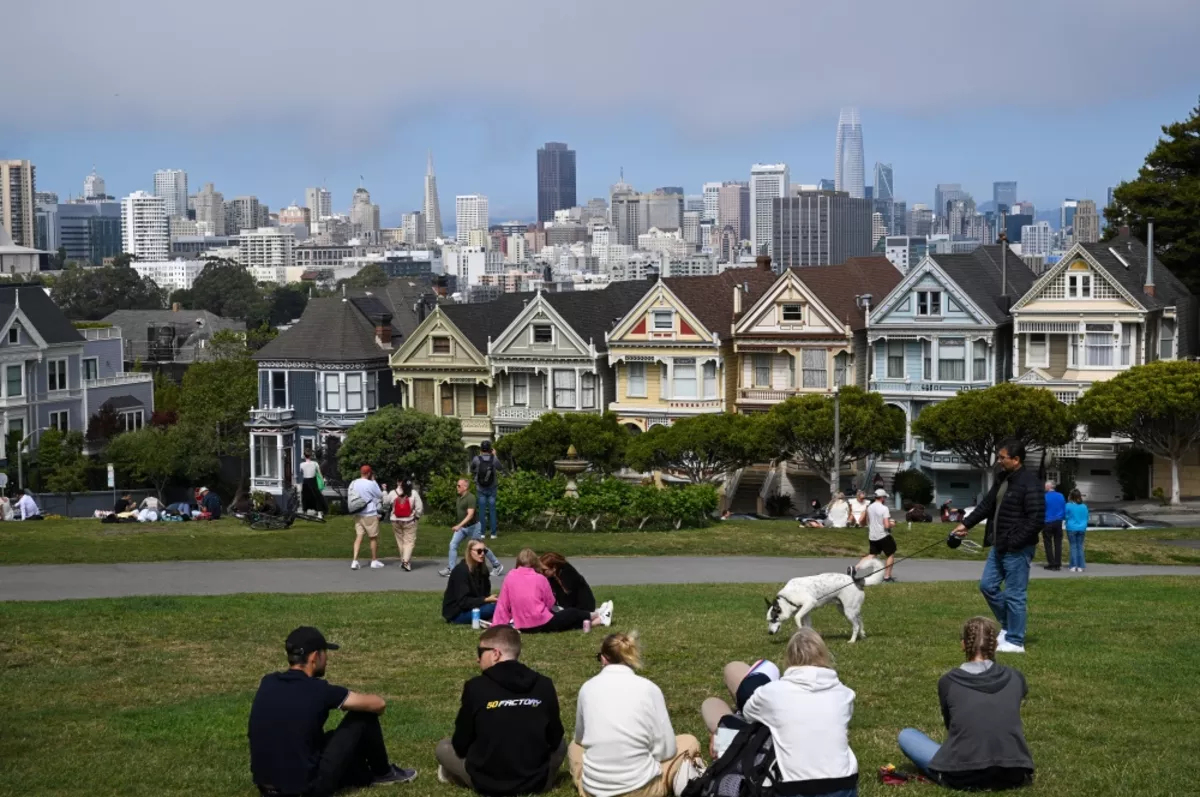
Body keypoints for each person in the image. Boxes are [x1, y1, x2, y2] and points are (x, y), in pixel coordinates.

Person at [248, 626, 417, 796]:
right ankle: (384, 773)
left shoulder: (267, 682)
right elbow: (378, 704)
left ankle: (362, 773)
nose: (327, 659)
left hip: (266, 788)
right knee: (363, 716)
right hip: (306, 789)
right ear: (315, 657)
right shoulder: (319, 690)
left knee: (328, 740)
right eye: (325, 653)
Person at [896, 617, 1034, 791]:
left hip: (962, 775)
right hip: (1014, 772)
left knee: (907, 735)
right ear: (995, 645)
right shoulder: (1016, 677)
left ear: (963, 644)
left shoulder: (948, 681)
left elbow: (950, 724)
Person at [435, 625, 567, 796]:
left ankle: (453, 774)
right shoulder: (544, 684)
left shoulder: (475, 687)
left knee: (443, 747)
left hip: (487, 783)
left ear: (495, 654)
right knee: (563, 744)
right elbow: (555, 738)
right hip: (534, 781)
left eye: (480, 652)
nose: (477, 659)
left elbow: (460, 744)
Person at [570, 632, 704, 797]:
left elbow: (580, 738)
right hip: (641, 790)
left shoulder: (587, 688)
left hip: (594, 791)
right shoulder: (649, 689)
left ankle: (584, 781)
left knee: (574, 747)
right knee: (689, 741)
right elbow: (667, 750)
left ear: (604, 659)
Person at [952, 439, 1045, 654]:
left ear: (1016, 459)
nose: (999, 461)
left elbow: (1036, 520)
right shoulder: (1003, 478)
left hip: (1017, 548)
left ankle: (1015, 640)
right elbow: (986, 506)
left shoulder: (1030, 483)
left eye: (1003, 457)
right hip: (999, 545)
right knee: (987, 586)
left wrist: (1014, 541)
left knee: (1015, 595)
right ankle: (1009, 626)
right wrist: (966, 524)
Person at [742, 629, 858, 797]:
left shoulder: (772, 693)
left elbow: (747, 714)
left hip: (796, 788)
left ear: (789, 658)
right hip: (844, 785)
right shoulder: (845, 694)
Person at [493, 549, 612, 634]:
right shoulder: (540, 578)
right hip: (540, 622)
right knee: (570, 614)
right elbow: (550, 602)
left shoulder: (509, 577)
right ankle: (597, 615)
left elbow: (503, 604)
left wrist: (497, 625)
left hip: (522, 625)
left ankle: (598, 620)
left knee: (566, 621)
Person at [699, 658, 780, 758]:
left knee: (710, 704)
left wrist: (722, 734)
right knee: (732, 669)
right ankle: (740, 714)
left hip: (753, 747)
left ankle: (739, 717)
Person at [441, 479, 503, 578]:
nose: (457, 487)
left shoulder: (471, 498)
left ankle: (497, 565)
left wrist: (459, 525)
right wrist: (460, 526)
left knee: (480, 548)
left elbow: (470, 515)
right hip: (463, 528)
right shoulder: (459, 498)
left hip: (473, 527)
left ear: (465, 487)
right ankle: (452, 569)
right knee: (453, 544)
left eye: (458, 486)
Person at [443, 540, 499, 625]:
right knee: (494, 608)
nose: (482, 554)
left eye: (485, 551)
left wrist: (492, 599)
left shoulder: (483, 570)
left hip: (475, 607)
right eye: (479, 551)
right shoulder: (461, 571)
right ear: (470, 552)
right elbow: (463, 602)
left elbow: (485, 593)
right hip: (457, 613)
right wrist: (486, 600)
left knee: (503, 605)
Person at [852, 488, 896, 583]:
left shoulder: (869, 507)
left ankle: (855, 568)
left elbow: (865, 521)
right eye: (885, 497)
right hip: (883, 535)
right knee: (890, 554)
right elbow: (886, 525)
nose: (885, 499)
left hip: (872, 536)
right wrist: (892, 524)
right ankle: (887, 577)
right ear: (882, 498)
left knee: (871, 555)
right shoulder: (884, 508)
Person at [348, 465, 384, 571]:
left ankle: (354, 561)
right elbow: (380, 495)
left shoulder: (354, 482)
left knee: (358, 537)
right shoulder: (370, 484)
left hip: (358, 514)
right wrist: (374, 481)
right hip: (370, 513)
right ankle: (373, 560)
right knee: (373, 538)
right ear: (369, 473)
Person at [385, 480, 423, 572]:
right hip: (409, 521)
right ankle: (406, 562)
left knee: (400, 541)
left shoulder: (393, 493)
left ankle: (403, 561)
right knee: (409, 542)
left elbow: (385, 502)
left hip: (395, 520)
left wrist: (384, 492)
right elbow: (419, 507)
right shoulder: (413, 493)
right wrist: (417, 517)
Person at [471, 440, 503, 540]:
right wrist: (495, 455)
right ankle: (493, 534)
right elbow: (500, 468)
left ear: (481, 449)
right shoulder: (493, 459)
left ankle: (482, 533)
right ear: (490, 449)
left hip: (480, 488)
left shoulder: (476, 458)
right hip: (492, 488)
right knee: (492, 511)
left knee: (482, 511)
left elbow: (472, 469)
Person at [1041, 482, 1065, 571]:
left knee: (1048, 543)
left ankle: (1051, 563)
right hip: (1058, 521)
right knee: (1058, 543)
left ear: (1048, 487)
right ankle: (1058, 563)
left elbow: (1042, 509)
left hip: (1048, 521)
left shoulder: (1045, 496)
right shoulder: (1061, 496)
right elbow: (1063, 508)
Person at [1064, 489, 1089, 573]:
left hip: (1071, 527)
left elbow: (1065, 516)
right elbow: (1086, 517)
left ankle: (1073, 566)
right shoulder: (1084, 506)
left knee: (1073, 546)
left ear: (1071, 496)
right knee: (1080, 547)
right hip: (1082, 528)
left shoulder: (1068, 505)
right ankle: (1081, 566)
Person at [300, 450, 327, 518]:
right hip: (313, 481)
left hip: (305, 481)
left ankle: (305, 513)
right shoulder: (315, 463)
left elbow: (301, 472)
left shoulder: (301, 464)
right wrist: (323, 480)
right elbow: (319, 473)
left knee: (305, 497)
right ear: (311, 456)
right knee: (317, 497)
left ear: (304, 456)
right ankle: (319, 514)